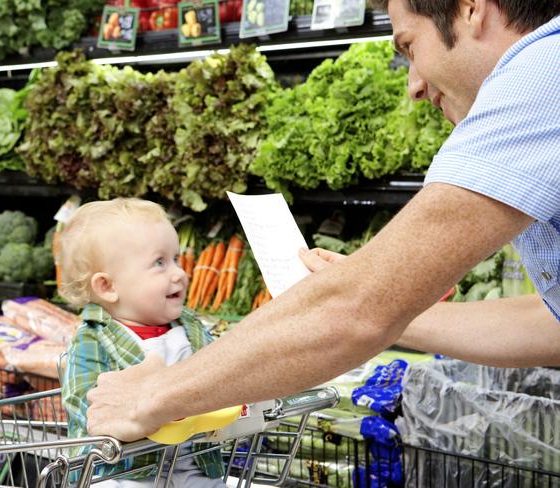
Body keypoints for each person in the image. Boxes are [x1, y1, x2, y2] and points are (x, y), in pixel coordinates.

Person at [86, 0, 560, 443]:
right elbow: (551, 323)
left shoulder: (542, 75)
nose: (414, 85)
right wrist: (393, 309)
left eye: (410, 47)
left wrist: (155, 397)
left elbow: (352, 312)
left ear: (472, 8)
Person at [59, 198, 227, 487]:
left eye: (176, 259)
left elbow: (223, 367)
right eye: (159, 263)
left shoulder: (190, 327)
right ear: (108, 286)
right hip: (124, 468)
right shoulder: (92, 339)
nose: (179, 273)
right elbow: (82, 402)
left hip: (194, 461)